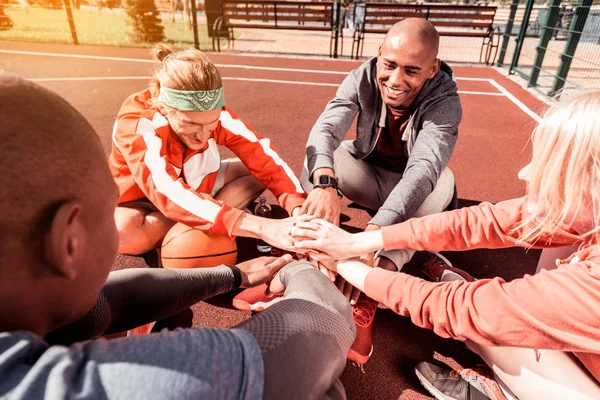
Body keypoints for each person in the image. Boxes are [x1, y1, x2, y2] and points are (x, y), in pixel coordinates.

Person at [0, 75, 355, 399]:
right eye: (105, 208)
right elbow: (318, 331)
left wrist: (235, 275)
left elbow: (113, 300)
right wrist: (301, 269)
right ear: (69, 239)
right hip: (180, 201)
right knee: (326, 390)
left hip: (204, 197)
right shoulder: (69, 386)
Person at [292, 90, 600, 399]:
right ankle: (511, 305)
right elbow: (488, 222)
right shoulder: (591, 208)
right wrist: (359, 240)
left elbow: (458, 310)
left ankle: (501, 390)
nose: (525, 173)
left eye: (552, 168)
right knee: (556, 238)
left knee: (486, 328)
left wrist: (345, 263)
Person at [297, 18, 462, 365]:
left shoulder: (446, 102)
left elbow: (421, 173)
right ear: (379, 54)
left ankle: (377, 278)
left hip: (412, 191)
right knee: (324, 161)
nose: (396, 80)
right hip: (369, 175)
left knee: (440, 182)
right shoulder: (362, 76)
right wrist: (325, 184)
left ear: (432, 69)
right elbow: (325, 129)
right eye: (389, 65)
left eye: (412, 71)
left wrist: (371, 240)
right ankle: (305, 251)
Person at [110, 43, 305, 261]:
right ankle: (211, 211)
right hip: (143, 199)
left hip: (199, 182)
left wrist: (300, 210)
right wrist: (261, 227)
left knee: (261, 170)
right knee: (123, 234)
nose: (203, 136)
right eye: (191, 124)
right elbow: (165, 189)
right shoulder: (137, 124)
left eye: (211, 125)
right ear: (164, 107)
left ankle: (205, 211)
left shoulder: (213, 111)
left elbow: (264, 155)